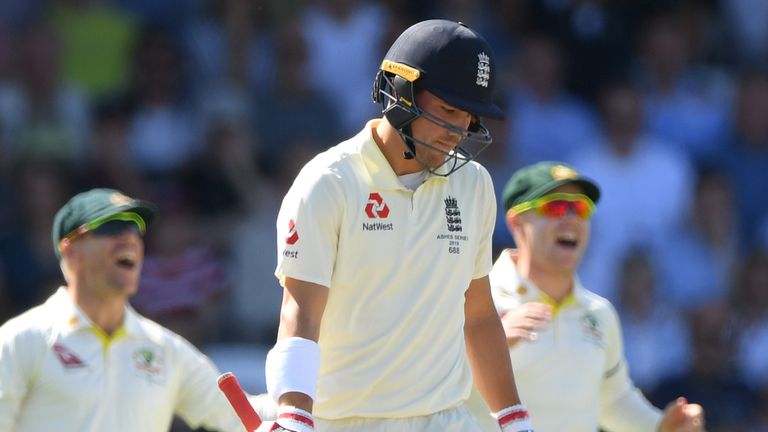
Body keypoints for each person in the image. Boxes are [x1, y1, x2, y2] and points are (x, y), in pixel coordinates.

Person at [262, 19, 533, 432]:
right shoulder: (329, 182)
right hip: (345, 422)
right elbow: (301, 311)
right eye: (447, 111)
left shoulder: (474, 184)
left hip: (446, 419)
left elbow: (477, 315)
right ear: (401, 92)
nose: (457, 133)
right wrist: (294, 415)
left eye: (468, 118)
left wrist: (514, 419)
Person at [0, 188, 255, 431]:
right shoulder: (21, 340)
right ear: (71, 250)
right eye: (112, 228)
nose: (129, 239)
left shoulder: (163, 348)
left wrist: (291, 407)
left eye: (135, 229)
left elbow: (246, 414)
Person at [478, 160, 705, 432]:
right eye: (556, 207)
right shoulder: (477, 301)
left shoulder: (599, 312)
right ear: (517, 222)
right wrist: (489, 341)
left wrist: (662, 425)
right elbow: (434, 385)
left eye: (581, 208)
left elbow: (614, 401)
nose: (571, 218)